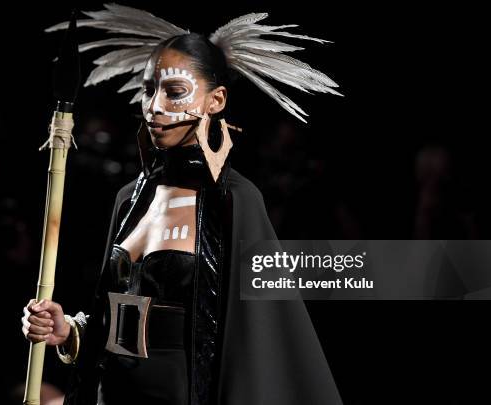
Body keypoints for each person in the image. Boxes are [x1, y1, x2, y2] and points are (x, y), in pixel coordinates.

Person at [22, 5, 343, 405]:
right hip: (114, 394)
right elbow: (112, 318)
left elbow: (258, 342)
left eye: (174, 93)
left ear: (216, 100)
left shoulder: (235, 201)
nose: (155, 106)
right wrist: (69, 331)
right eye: (148, 90)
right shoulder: (130, 198)